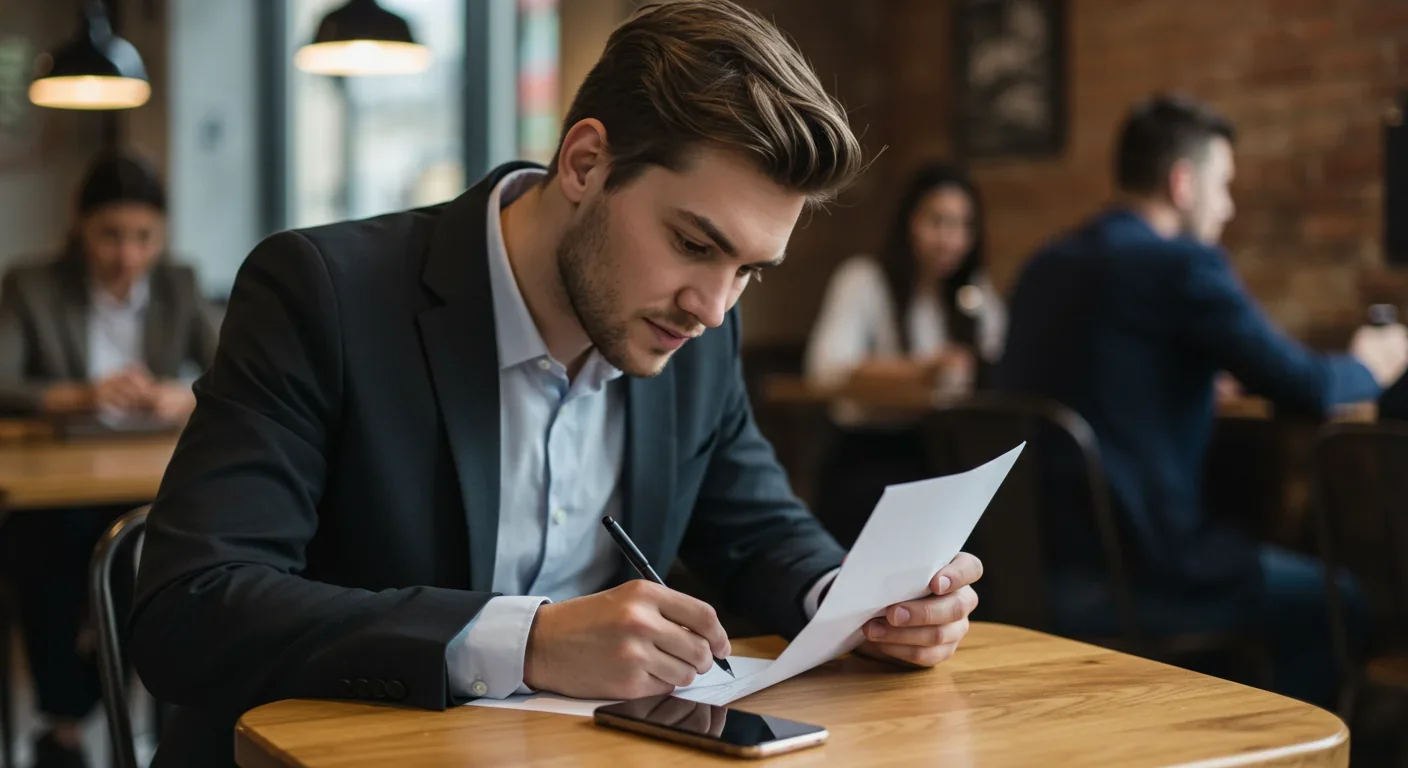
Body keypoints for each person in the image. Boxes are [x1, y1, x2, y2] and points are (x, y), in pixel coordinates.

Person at [128, 3, 985, 765]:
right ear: (584, 163)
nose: (715, 307)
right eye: (693, 243)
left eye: (749, 271)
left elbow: (759, 529)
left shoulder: (696, 333)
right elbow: (191, 609)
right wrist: (526, 640)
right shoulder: (323, 295)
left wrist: (857, 605)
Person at [994, 93, 1408, 708]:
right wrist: (1375, 361)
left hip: (1030, 573)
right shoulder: (1181, 265)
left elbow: (1107, 373)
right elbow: (1307, 385)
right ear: (1182, 183)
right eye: (1224, 185)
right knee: (1339, 602)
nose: (1229, 207)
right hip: (1142, 578)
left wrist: (1187, 376)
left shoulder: (1044, 266)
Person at [0, 150, 217, 768]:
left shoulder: (178, 282)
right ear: (79, 227)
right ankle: (69, 720)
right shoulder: (32, 284)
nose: (127, 256)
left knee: (163, 549)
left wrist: (181, 395)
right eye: (110, 236)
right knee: (47, 546)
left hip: (146, 473)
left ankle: (141, 716)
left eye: (143, 237)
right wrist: (80, 396)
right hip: (61, 479)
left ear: (162, 235)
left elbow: (231, 367)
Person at [803, 162, 1005, 546]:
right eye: (938, 222)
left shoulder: (971, 294)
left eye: (963, 226)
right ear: (908, 222)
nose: (951, 239)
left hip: (943, 455)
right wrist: (922, 370)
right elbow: (824, 370)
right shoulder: (864, 278)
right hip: (868, 456)